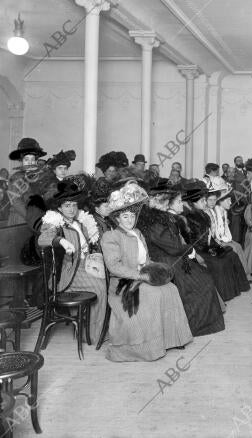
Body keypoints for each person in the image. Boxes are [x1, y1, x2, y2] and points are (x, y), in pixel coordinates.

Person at [101, 182, 193, 362]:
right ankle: (149, 346)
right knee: (153, 294)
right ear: (117, 219)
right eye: (125, 217)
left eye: (132, 216)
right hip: (123, 283)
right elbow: (114, 266)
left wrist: (156, 269)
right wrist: (140, 276)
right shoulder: (111, 237)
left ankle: (171, 339)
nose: (130, 220)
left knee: (170, 289)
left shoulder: (138, 232)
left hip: (142, 276)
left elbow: (147, 259)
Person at [137, 179, 225, 336]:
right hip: (164, 262)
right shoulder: (155, 220)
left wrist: (187, 250)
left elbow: (174, 244)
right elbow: (171, 246)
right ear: (162, 202)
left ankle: (197, 324)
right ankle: (192, 326)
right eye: (176, 201)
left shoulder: (160, 217)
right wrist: (189, 250)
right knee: (200, 283)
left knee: (204, 277)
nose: (179, 203)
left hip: (172, 257)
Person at [37, 180, 107, 341]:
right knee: (100, 287)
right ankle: (90, 334)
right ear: (59, 208)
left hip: (85, 265)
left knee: (110, 281)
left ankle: (103, 327)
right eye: (67, 205)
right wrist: (61, 241)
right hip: (67, 274)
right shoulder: (55, 223)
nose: (71, 209)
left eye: (74, 205)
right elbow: (42, 239)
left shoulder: (79, 223)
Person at [181, 182, 250, 301]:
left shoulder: (203, 214)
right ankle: (223, 295)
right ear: (194, 203)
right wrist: (213, 250)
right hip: (199, 249)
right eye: (202, 201)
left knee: (231, 255)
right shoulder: (190, 217)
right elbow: (196, 241)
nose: (205, 203)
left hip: (207, 246)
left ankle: (235, 288)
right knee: (219, 262)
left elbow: (209, 237)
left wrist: (216, 246)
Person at [205, 177, 252, 282]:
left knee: (238, 246)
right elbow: (215, 232)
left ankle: (244, 275)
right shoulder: (215, 211)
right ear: (220, 202)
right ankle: (238, 277)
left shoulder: (224, 212)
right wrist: (223, 241)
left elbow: (225, 231)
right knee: (234, 248)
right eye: (228, 200)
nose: (231, 202)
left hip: (222, 239)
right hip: (215, 241)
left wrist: (228, 239)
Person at [7, 138, 49, 226]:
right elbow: (16, 202)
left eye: (32, 159)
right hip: (21, 219)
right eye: (26, 159)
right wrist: (32, 219)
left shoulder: (38, 176)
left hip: (37, 218)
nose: (30, 163)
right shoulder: (16, 177)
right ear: (21, 161)